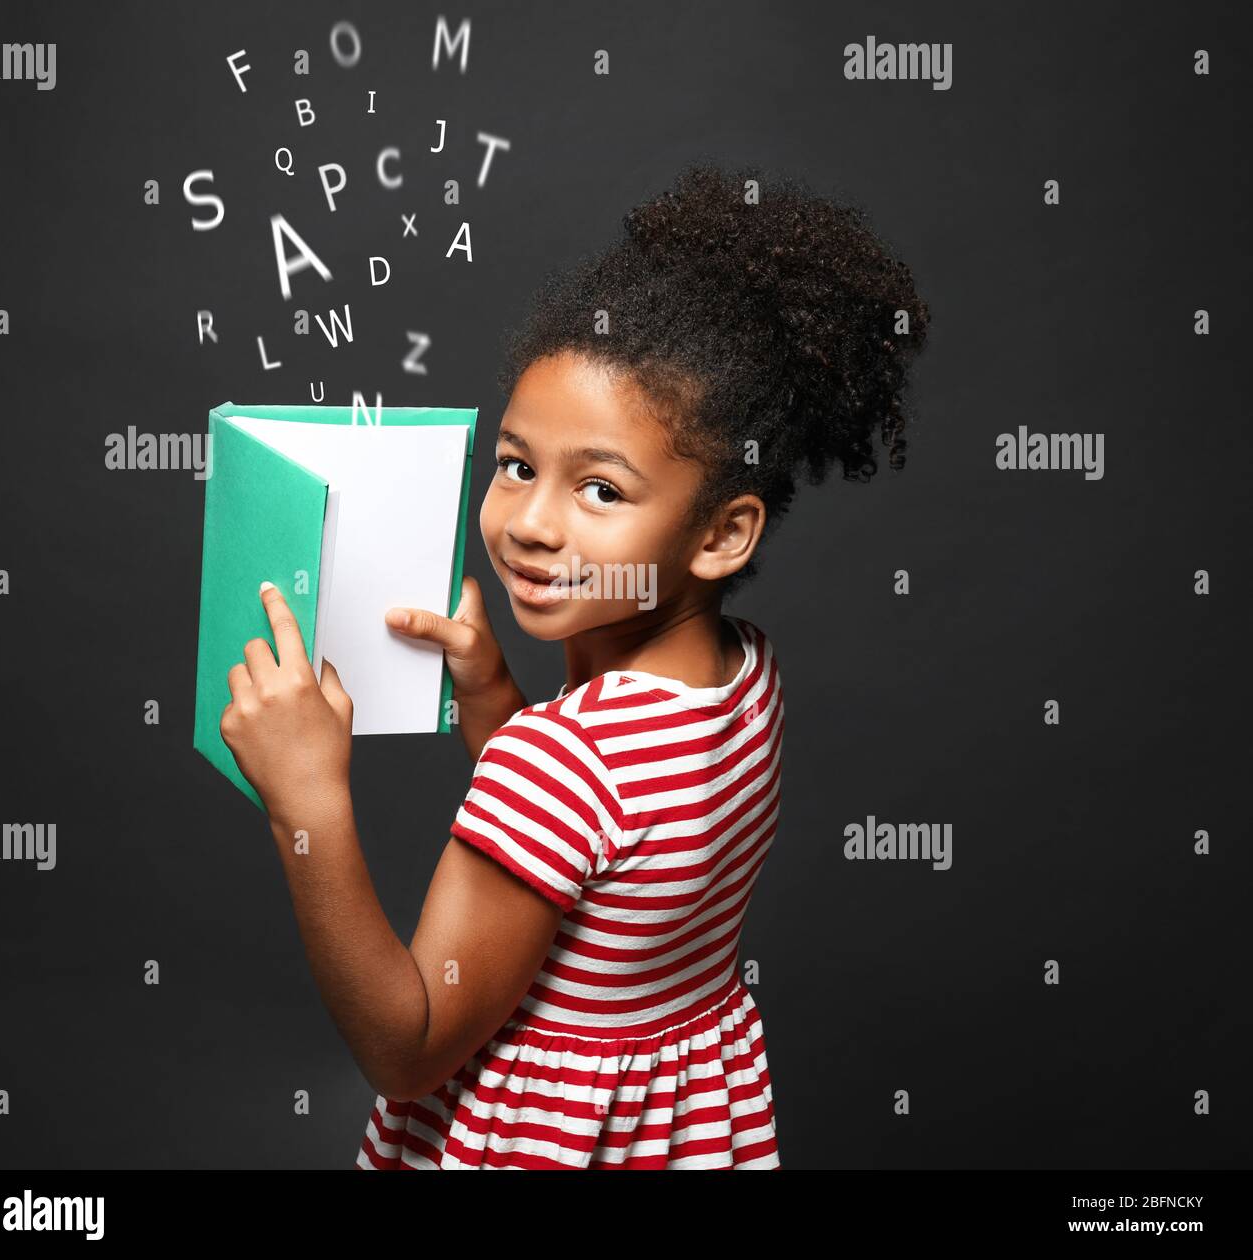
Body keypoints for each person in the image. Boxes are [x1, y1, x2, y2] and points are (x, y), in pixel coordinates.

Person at [219, 160, 930, 1169]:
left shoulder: (561, 763)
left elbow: (406, 1050)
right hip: (672, 1127)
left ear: (722, 532)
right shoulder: (742, 678)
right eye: (515, 466)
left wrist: (307, 803)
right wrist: (494, 696)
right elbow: (610, 858)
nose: (531, 523)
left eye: (599, 490)